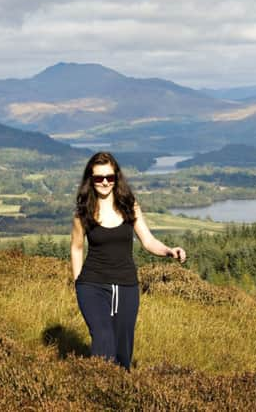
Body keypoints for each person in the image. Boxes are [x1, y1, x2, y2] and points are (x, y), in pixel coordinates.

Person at [70, 151, 186, 370]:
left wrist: (169, 251)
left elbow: (148, 241)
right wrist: (78, 283)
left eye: (109, 177)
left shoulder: (129, 206)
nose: (104, 182)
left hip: (126, 286)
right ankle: (95, 391)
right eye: (98, 178)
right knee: (103, 340)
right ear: (91, 180)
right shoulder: (83, 213)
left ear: (116, 178)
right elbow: (76, 248)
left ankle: (119, 396)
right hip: (92, 285)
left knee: (123, 352)